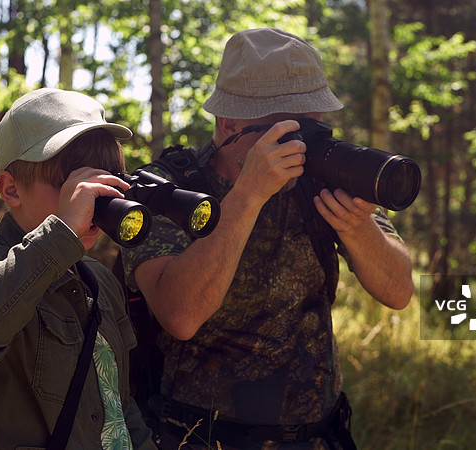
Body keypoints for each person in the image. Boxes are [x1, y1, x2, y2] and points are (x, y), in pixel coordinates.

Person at [121, 28, 414, 449]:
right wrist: (249, 196)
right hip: (198, 438)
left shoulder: (320, 180)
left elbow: (400, 291)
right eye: (284, 130)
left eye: (311, 126)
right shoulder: (169, 191)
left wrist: (357, 228)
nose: (301, 144)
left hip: (316, 436)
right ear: (229, 124)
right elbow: (179, 316)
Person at [0, 88, 156, 449]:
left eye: (104, 179)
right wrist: (61, 233)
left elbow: (118, 403)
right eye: (70, 184)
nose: (92, 198)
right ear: (11, 190)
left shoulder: (97, 279)